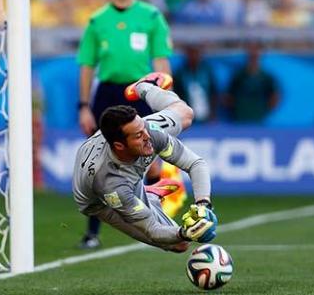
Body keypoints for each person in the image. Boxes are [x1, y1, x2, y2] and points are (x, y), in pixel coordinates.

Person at [76, 0, 184, 249]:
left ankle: (158, 223)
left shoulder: (151, 17)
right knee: (99, 165)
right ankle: (93, 232)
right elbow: (87, 65)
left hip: (141, 92)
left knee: (152, 162)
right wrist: (84, 105)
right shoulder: (97, 21)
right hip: (108, 94)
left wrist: (165, 97)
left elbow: (161, 60)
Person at [73, 73, 218, 251]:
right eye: (139, 135)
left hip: (125, 164)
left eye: (143, 128)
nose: (147, 137)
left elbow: (196, 164)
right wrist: (185, 232)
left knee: (186, 114)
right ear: (119, 145)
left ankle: (144, 86)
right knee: (180, 245)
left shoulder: (148, 131)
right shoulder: (112, 184)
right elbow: (153, 230)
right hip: (97, 202)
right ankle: (147, 196)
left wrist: (203, 205)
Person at [225, 41, 280, 122]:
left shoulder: (266, 77)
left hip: (259, 119)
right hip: (240, 119)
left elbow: (274, 97)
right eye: (251, 51)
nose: (254, 54)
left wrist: (264, 111)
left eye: (256, 51)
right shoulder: (239, 76)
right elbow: (227, 97)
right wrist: (237, 110)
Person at [173, 44, 218, 123]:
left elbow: (214, 93)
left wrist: (213, 113)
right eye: (191, 53)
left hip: (206, 117)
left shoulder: (207, 71)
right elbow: (176, 95)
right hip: (187, 118)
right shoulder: (180, 73)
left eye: (196, 53)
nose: (194, 56)